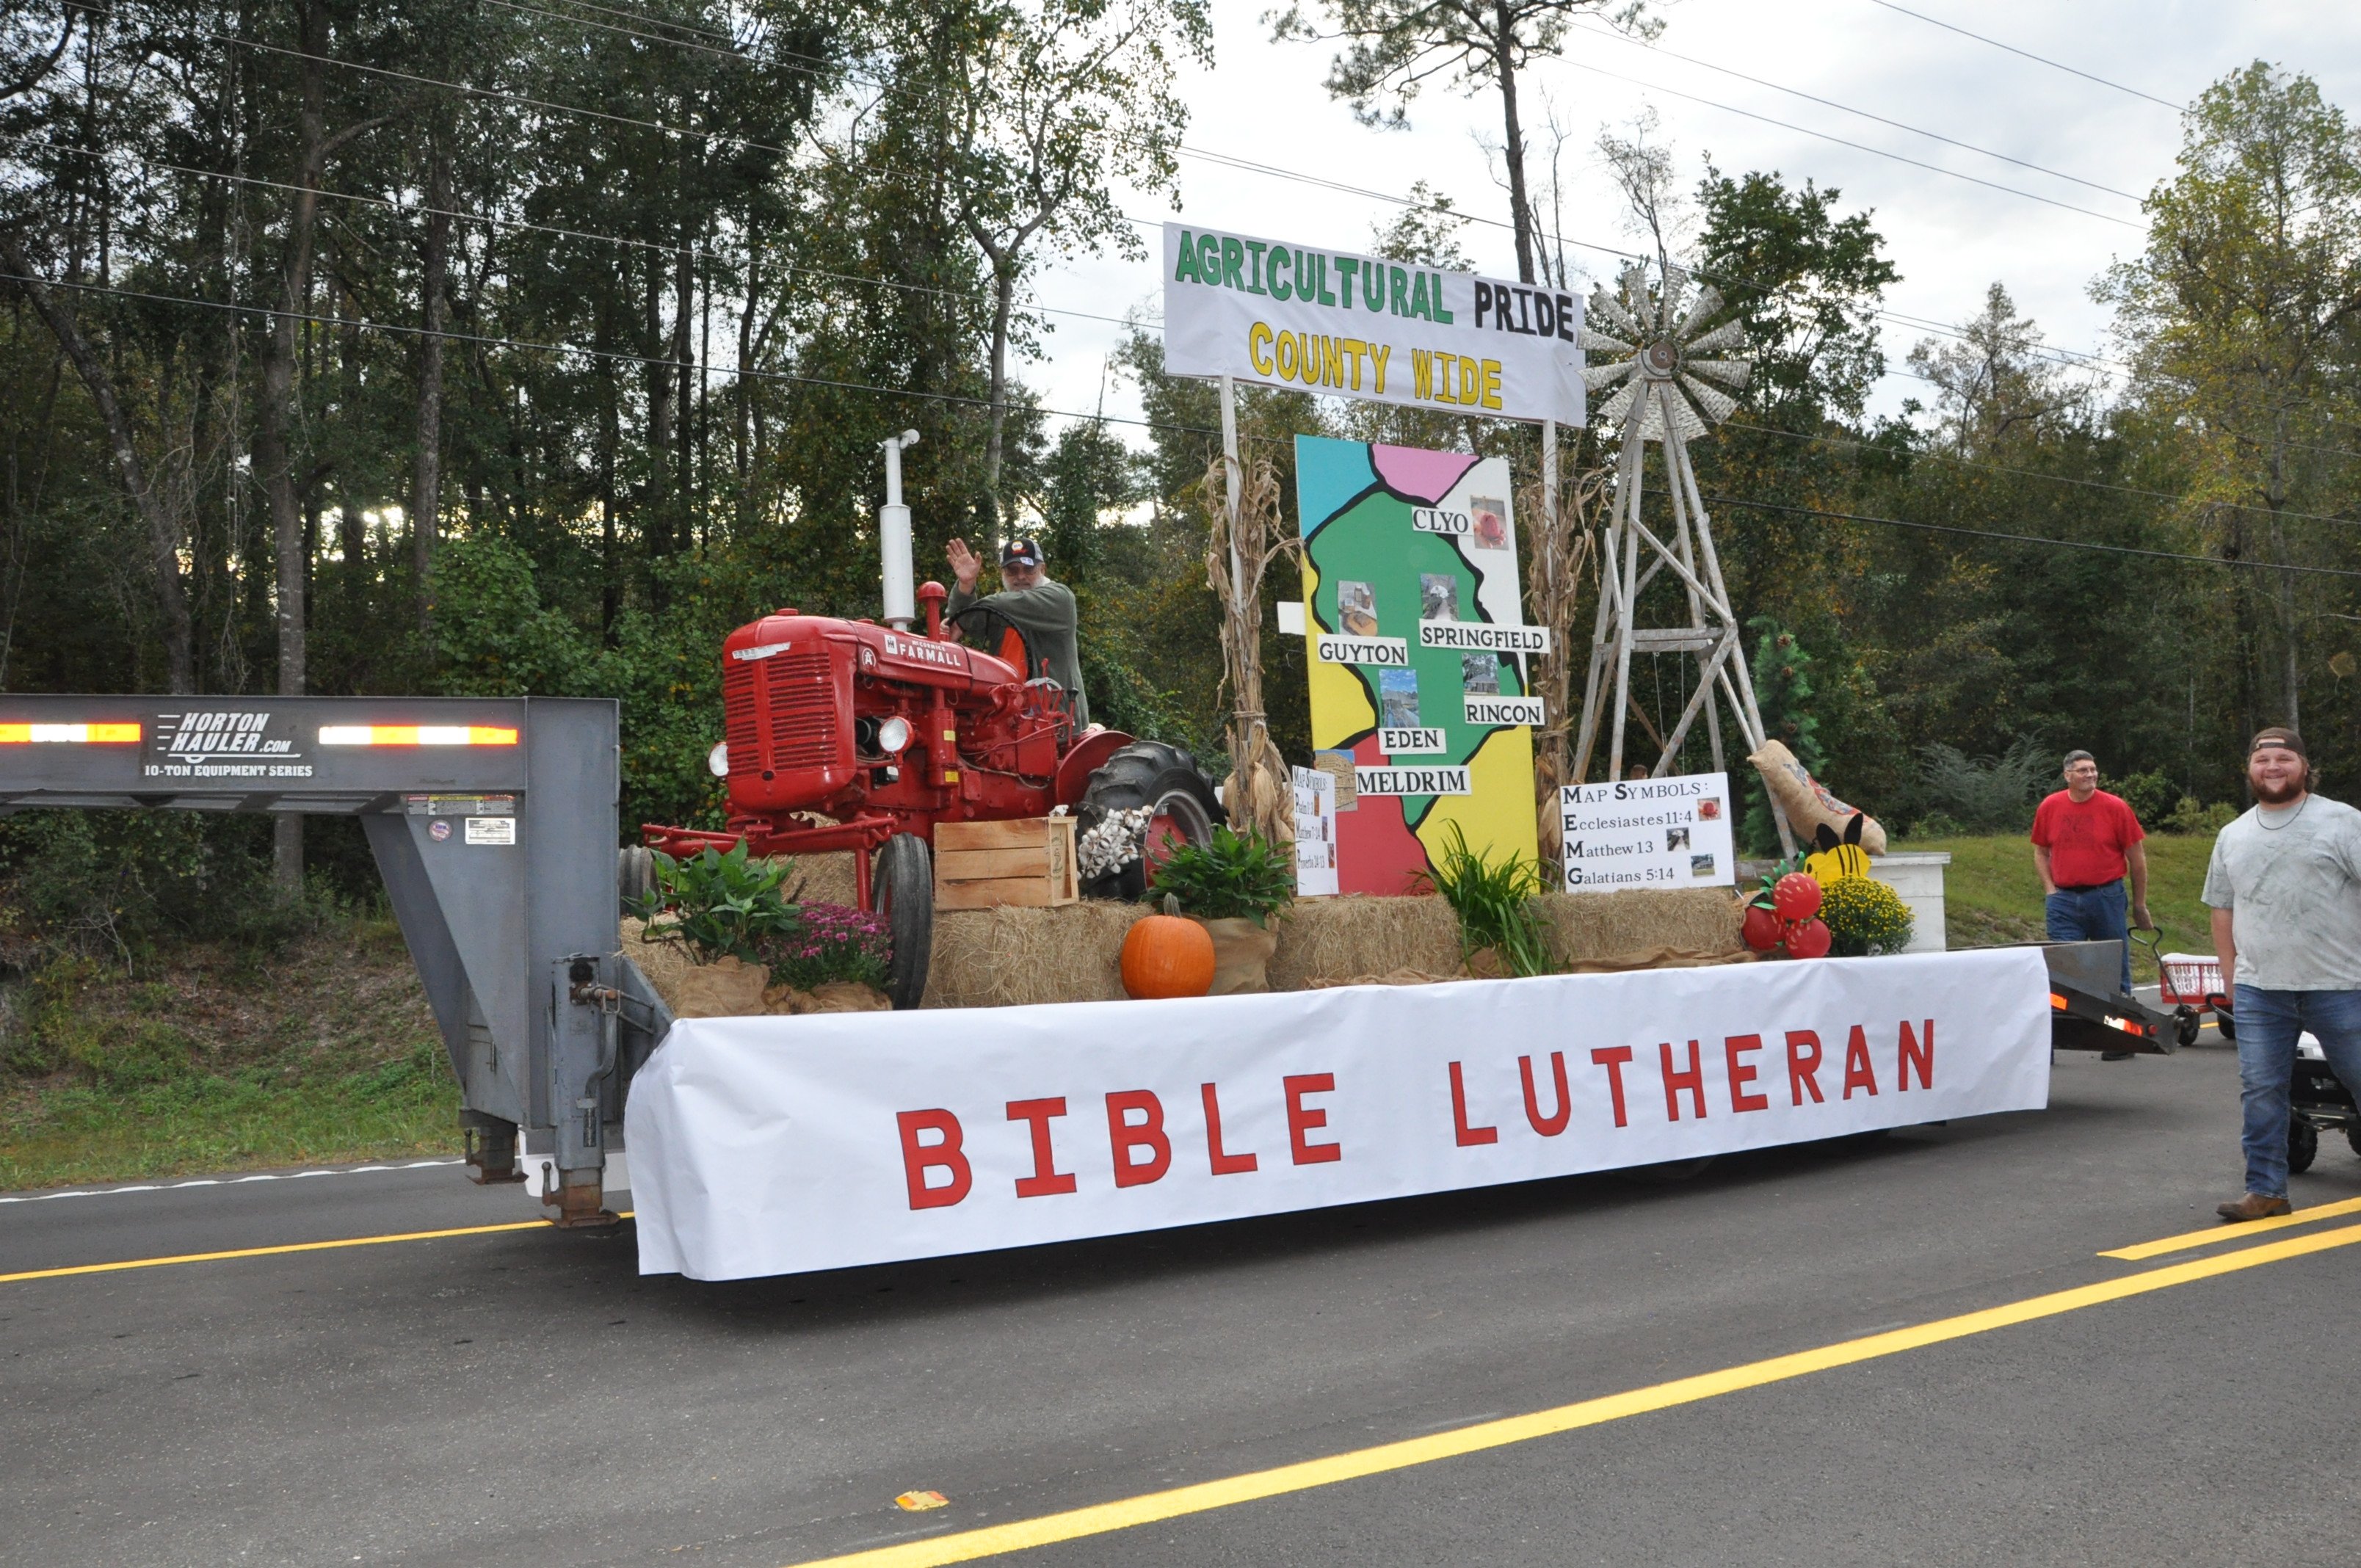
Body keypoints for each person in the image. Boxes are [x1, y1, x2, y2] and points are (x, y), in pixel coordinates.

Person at [2203, 727, 2361, 1222]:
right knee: (2262, 1090)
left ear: (2304, 766)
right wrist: (2232, 977)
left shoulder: (2342, 822)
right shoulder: (2233, 834)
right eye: (2262, 759)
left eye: (2283, 759)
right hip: (2260, 989)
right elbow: (2223, 909)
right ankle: (2267, 1191)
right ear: (2249, 770)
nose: (2272, 767)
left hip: (2339, 984)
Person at [2031, 749, 2152, 998]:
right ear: (2067, 775)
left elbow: (2137, 859)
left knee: (2112, 966)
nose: (2091, 774)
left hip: (2105, 896)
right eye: (2083, 770)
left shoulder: (2115, 808)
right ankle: (2071, 1021)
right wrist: (2050, 890)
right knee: (2063, 965)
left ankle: (2121, 1015)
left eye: (2093, 769)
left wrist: (2140, 905)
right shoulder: (2050, 806)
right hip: (2063, 899)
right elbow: (2041, 852)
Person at [944, 535, 1089, 726]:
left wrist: (963, 619)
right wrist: (966, 585)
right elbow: (961, 625)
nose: (1020, 576)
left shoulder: (1061, 599)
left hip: (1054, 720)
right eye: (1012, 570)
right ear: (1004, 573)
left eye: (1028, 569)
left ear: (1042, 569)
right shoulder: (999, 610)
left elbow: (970, 616)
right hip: (1007, 717)